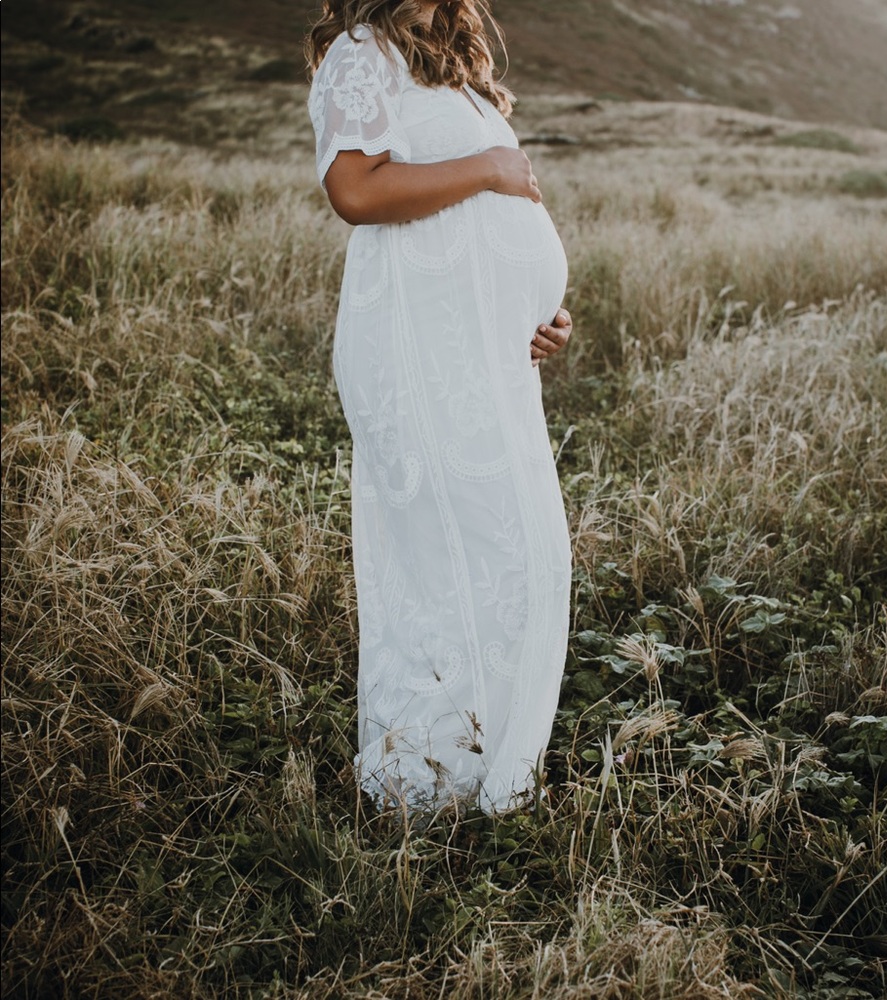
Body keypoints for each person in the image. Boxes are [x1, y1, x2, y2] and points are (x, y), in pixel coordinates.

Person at [306, 0, 574, 813]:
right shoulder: (360, 52)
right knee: (450, 554)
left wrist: (542, 313)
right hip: (414, 351)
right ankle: (424, 779)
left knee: (515, 554)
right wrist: (492, 170)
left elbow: (493, 226)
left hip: (483, 357)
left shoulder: (452, 64)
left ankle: (488, 762)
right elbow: (354, 187)